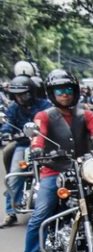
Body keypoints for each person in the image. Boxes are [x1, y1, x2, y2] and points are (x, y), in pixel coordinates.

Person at [18, 69, 93, 252]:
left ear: (75, 91)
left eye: (68, 89)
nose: (65, 94)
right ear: (52, 93)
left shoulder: (85, 114)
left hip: (86, 169)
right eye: (59, 91)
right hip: (54, 171)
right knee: (41, 212)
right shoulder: (44, 116)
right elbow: (38, 136)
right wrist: (37, 149)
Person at [0, 75, 52, 228]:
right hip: (23, 145)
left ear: (32, 92)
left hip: (45, 146)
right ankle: (10, 212)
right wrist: (6, 132)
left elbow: (53, 120)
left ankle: (57, 208)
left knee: (54, 175)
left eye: (24, 94)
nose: (20, 97)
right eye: (17, 95)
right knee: (14, 176)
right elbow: (8, 124)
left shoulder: (45, 105)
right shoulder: (13, 108)